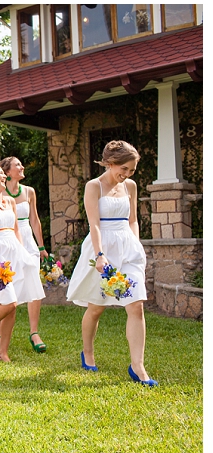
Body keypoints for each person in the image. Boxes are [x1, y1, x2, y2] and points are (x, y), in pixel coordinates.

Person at [66, 140, 156, 385]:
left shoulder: (131, 186)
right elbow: (93, 223)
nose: (126, 175)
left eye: (131, 171)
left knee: (136, 305)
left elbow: (133, 219)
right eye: (123, 169)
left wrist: (136, 244)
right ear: (110, 163)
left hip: (128, 249)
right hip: (102, 247)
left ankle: (138, 367)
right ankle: (88, 352)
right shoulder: (94, 186)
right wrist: (100, 255)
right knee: (96, 307)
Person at [0, 165, 45, 363]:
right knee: (8, 302)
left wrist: (22, 254)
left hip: (12, 256)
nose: (5, 176)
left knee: (13, 306)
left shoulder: (10, 202)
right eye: (1, 174)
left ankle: (3, 351)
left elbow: (16, 231)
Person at [0, 156, 49, 353]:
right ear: (8, 172)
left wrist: (41, 246)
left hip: (28, 239)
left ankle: (34, 332)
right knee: (7, 284)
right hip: (8, 239)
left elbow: (35, 220)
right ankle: (0, 333)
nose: (22, 167)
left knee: (33, 282)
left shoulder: (29, 191)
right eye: (17, 165)